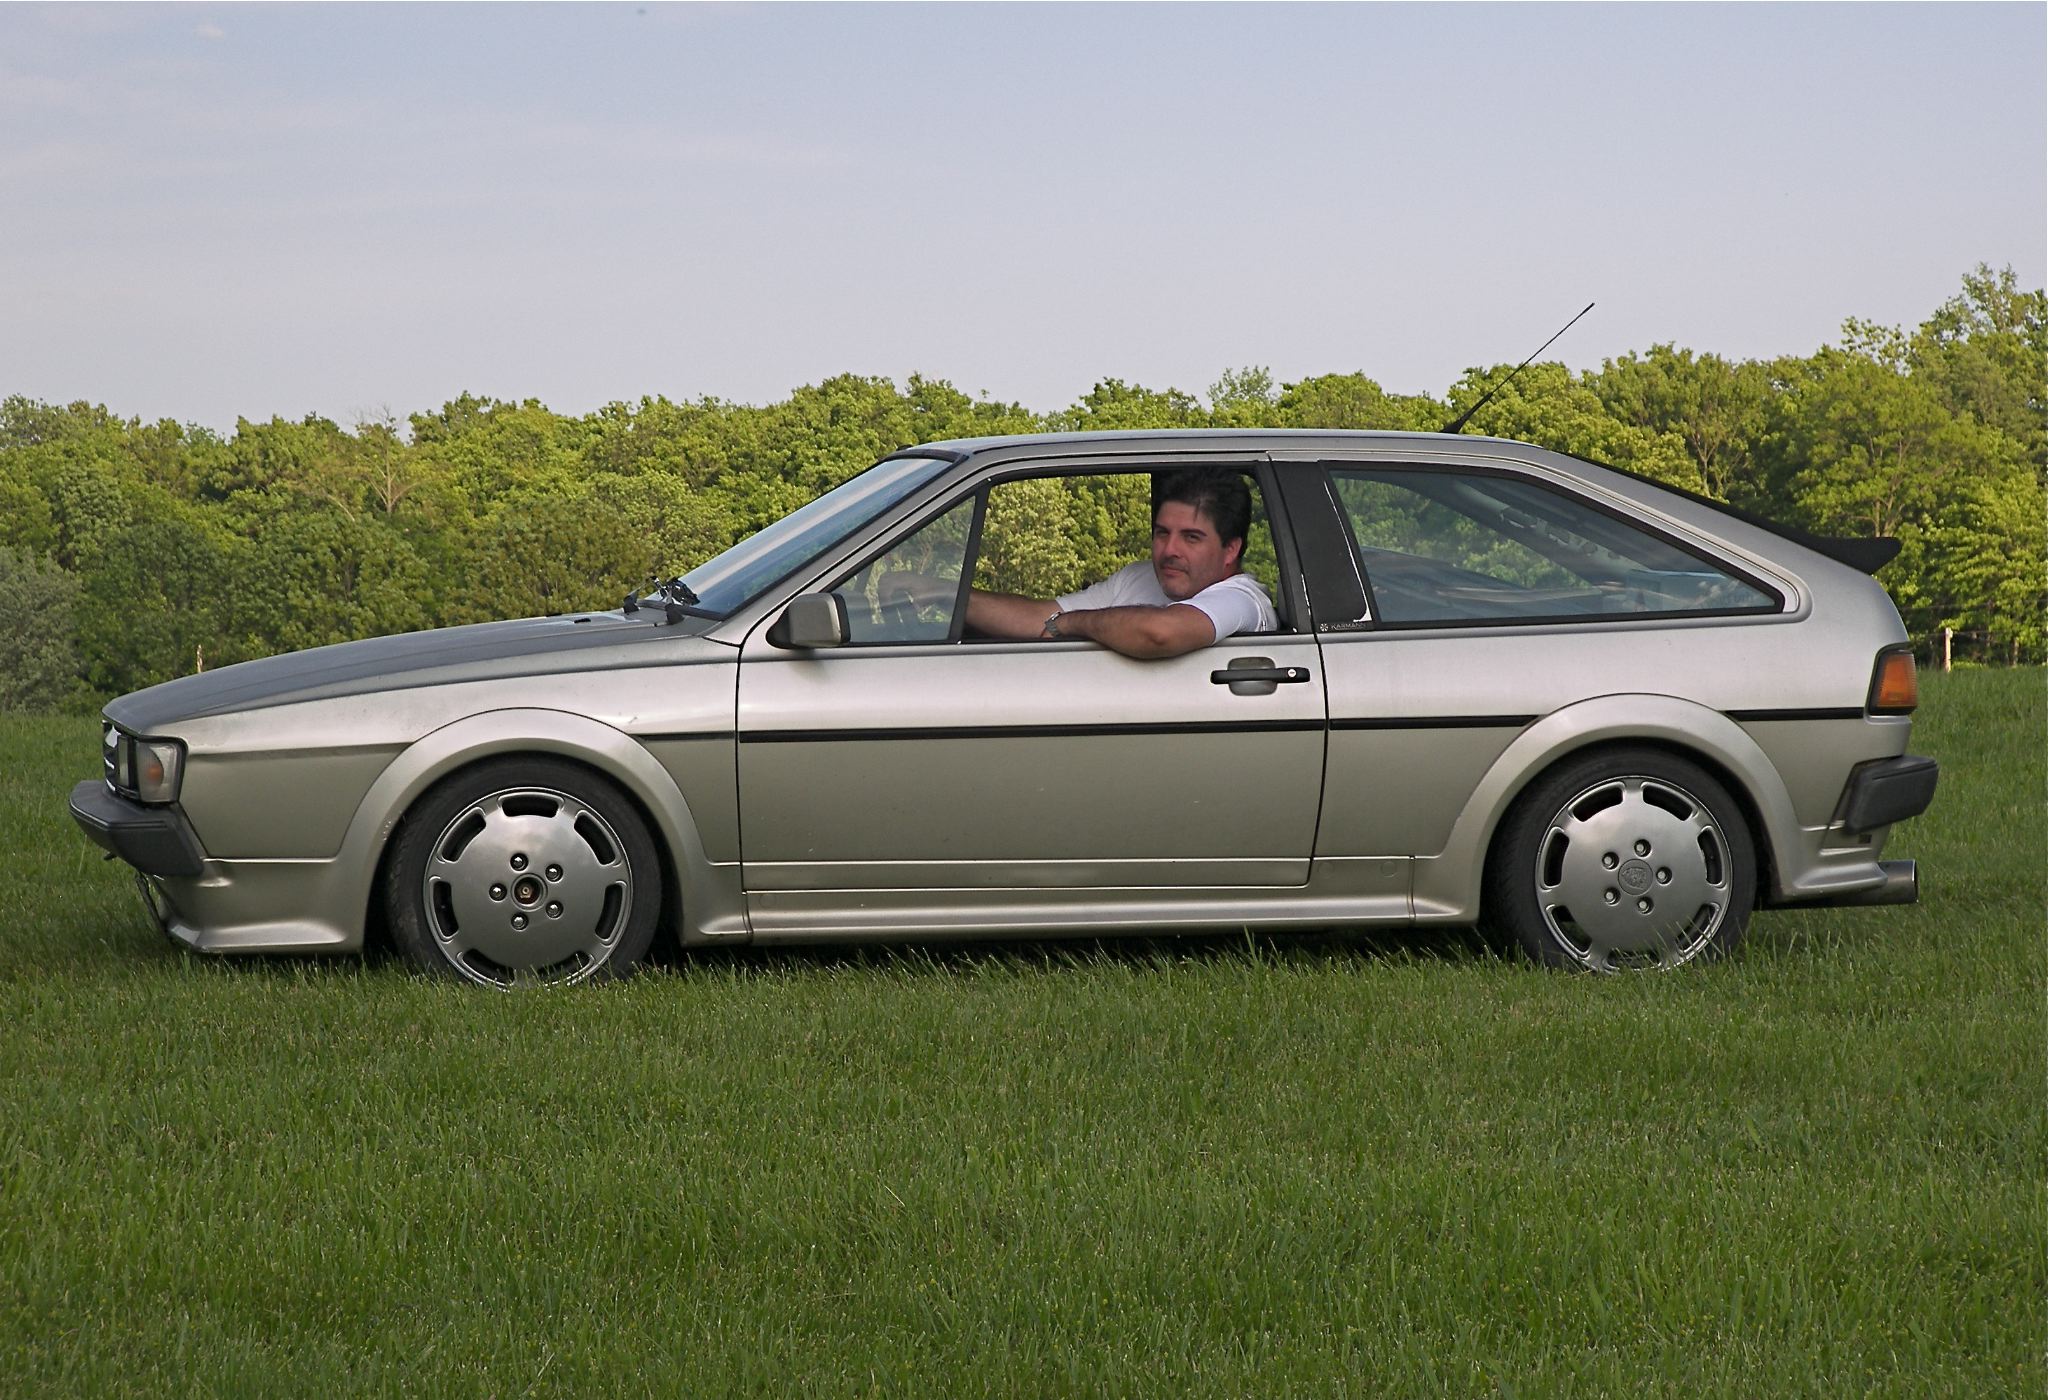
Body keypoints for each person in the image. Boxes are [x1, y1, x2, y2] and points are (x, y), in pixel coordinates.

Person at [888, 468, 1277, 659]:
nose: (1169, 550)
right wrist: (942, 592)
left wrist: (1071, 624)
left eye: (1191, 538)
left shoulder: (1242, 600)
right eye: (1162, 533)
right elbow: (1040, 618)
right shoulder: (1140, 577)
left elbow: (1158, 632)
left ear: (1231, 549)